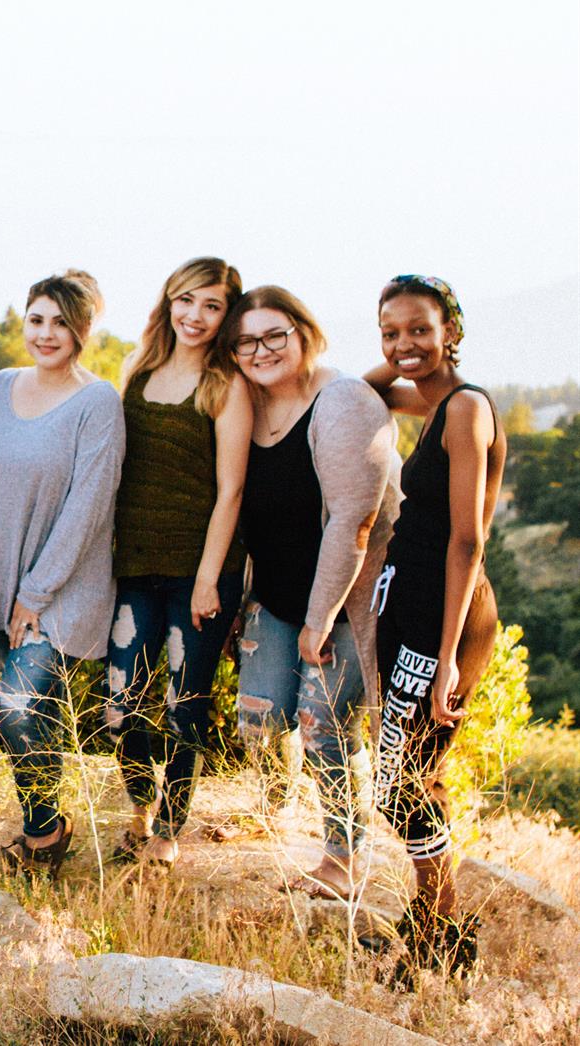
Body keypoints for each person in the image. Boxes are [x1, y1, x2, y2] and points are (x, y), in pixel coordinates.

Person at [225, 285, 399, 901]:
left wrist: (319, 619)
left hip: (345, 602)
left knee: (323, 721)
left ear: (304, 331)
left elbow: (355, 519)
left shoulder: (343, 401)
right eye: (246, 341)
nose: (261, 350)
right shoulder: (247, 401)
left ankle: (344, 858)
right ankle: (281, 807)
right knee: (260, 717)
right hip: (273, 596)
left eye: (275, 335)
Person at [362, 275, 505, 977]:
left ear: (452, 327)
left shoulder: (466, 409)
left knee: (401, 776)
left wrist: (446, 656)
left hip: (441, 615)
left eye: (420, 329)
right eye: (390, 333)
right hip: (411, 604)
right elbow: (362, 392)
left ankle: (440, 927)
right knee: (408, 770)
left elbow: (467, 541)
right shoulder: (432, 399)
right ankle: (433, 919)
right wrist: (405, 358)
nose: (403, 346)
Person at [0, 270, 124, 875]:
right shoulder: (1, 384)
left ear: (84, 330)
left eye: (62, 321)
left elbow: (88, 506)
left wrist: (35, 592)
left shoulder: (98, 401)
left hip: (60, 587)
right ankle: (43, 833)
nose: (47, 333)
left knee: (16, 704)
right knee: (31, 715)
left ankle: (45, 832)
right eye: (37, 318)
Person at [105, 258, 250, 869]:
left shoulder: (227, 386)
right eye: (186, 301)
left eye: (211, 305)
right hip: (133, 563)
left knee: (184, 700)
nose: (195, 315)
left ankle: (168, 826)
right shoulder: (137, 371)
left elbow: (231, 492)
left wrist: (209, 579)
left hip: (199, 568)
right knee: (121, 699)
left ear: (227, 315)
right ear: (168, 302)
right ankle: (139, 804)